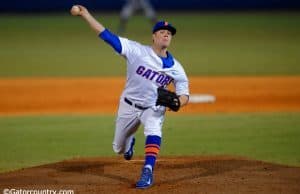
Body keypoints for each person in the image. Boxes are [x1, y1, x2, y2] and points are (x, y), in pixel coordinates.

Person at [70, 5, 189, 189]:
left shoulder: (176, 68)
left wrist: (177, 102)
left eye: (169, 33)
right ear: (154, 36)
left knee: (154, 129)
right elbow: (106, 35)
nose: (166, 35)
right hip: (128, 105)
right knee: (118, 148)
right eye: (162, 31)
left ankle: (148, 170)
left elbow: (184, 94)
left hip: (153, 107)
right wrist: (86, 14)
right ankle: (128, 144)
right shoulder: (136, 51)